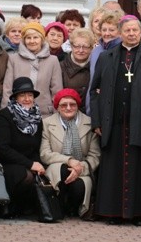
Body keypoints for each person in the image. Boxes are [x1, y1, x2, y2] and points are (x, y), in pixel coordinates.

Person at [90, 15, 141, 226]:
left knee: (140, 170)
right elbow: (94, 91)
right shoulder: (107, 56)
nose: (131, 33)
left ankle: (139, 213)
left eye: (135, 30)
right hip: (113, 123)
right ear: (119, 32)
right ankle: (113, 213)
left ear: (140, 32)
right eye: (127, 30)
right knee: (112, 169)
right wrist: (96, 121)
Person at [40, 88, 100, 217]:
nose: (68, 108)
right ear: (57, 107)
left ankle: (73, 208)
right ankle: (58, 207)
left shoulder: (90, 123)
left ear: (78, 105)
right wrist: (69, 161)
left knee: (79, 187)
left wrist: (79, 168)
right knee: (62, 169)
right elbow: (45, 153)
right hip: (56, 169)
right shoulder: (46, 123)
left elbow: (94, 155)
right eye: (63, 105)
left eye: (72, 104)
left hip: (82, 169)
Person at [0, 77, 45, 217]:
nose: (27, 99)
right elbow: (2, 149)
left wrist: (37, 164)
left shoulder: (37, 118)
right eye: (22, 95)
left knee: (41, 173)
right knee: (25, 175)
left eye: (30, 95)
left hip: (29, 162)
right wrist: (30, 164)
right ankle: (7, 205)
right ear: (15, 97)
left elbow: (36, 147)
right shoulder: (5, 115)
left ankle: (25, 207)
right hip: (8, 163)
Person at [2, 22, 63, 117]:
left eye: (35, 37)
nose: (32, 41)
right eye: (28, 38)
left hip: (45, 113)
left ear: (42, 39)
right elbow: (7, 89)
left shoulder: (53, 60)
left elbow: (57, 91)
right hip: (17, 114)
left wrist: (58, 115)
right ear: (24, 40)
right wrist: (5, 113)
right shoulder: (14, 59)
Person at [85, 12, 122, 115]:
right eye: (104, 30)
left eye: (111, 30)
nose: (107, 33)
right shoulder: (96, 51)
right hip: (94, 104)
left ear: (119, 32)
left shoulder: (123, 51)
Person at [60, 28, 94, 111]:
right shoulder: (61, 66)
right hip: (67, 112)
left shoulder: (96, 66)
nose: (81, 50)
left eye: (85, 47)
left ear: (91, 48)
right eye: (77, 46)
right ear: (71, 46)